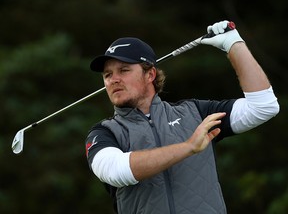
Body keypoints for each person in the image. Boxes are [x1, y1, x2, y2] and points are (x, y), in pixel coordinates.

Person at [85, 20, 279, 214]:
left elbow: (263, 107)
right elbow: (116, 171)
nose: (113, 80)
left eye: (124, 70)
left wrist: (234, 44)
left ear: (150, 74)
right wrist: (188, 147)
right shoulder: (104, 132)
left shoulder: (194, 112)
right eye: (107, 74)